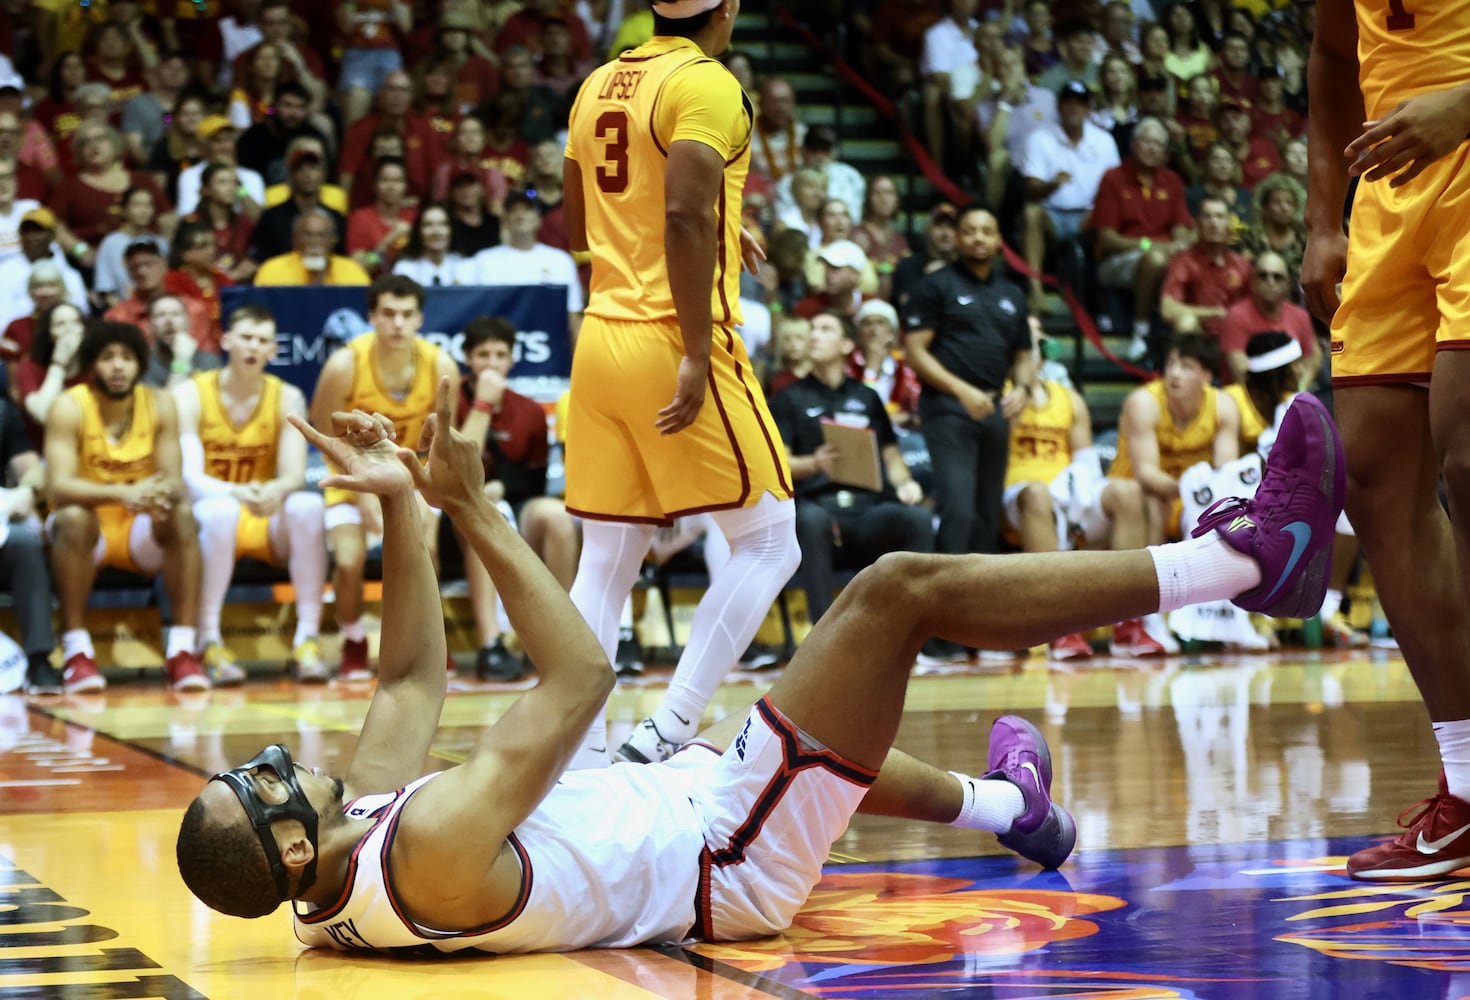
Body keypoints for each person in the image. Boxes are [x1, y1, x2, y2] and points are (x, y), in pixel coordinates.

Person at [175, 373, 1347, 951]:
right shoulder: (421, 857)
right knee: (895, 596)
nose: (282, 761)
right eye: (265, 782)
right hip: (724, 862)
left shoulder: (335, 869)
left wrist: (399, 508)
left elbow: (405, 686)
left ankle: (1012, 809)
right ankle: (1245, 564)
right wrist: (475, 510)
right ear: (288, 843)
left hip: (685, 800)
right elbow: (580, 677)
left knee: (780, 731)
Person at [561, 0, 801, 768]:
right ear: (726, 10)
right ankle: (669, 727)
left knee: (606, 557)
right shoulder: (709, 84)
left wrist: (721, 226)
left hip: (600, 336)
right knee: (770, 540)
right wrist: (696, 352)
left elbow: (583, 229)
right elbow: (685, 218)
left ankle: (574, 750)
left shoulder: (599, 82)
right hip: (671, 335)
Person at [1302, 0, 1470, 881]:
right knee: (1370, 470)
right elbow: (1333, 60)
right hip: (1389, 192)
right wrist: (1323, 218)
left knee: (1468, 454)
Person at [308, 274, 460, 679]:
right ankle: (354, 641)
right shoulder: (344, 364)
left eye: (406, 315)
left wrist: (424, 492)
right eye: (388, 314)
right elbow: (326, 436)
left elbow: (444, 442)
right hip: (351, 475)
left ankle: (429, 644)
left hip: (412, 479)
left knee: (427, 551)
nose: (397, 323)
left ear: (420, 319)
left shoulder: (442, 366)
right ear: (372, 316)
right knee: (349, 559)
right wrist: (363, 494)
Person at [43, 321, 207, 693]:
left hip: (140, 529)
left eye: (127, 358)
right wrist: (122, 493)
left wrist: (148, 495)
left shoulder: (161, 403)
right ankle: (76, 652)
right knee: (71, 517)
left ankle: (182, 650)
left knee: (182, 513)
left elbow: (172, 478)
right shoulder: (69, 406)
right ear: (91, 365)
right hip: (90, 530)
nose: (118, 366)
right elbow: (60, 486)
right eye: (107, 358)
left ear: (141, 364)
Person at [173, 305, 328, 685]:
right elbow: (189, 477)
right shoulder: (191, 394)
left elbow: (293, 475)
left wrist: (274, 489)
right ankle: (208, 640)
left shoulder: (287, 396)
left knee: (307, 506)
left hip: (260, 514)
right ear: (226, 341)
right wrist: (238, 492)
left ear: (274, 350)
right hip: (209, 516)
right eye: (245, 337)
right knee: (220, 510)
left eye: (262, 340)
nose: (253, 347)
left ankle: (307, 640)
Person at [769, 310, 932, 624]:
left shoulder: (866, 397)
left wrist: (905, 484)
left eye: (825, 329)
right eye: (812, 329)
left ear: (846, 345)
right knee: (810, 521)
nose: (814, 335)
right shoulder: (789, 398)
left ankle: (914, 630)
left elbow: (891, 456)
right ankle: (822, 633)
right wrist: (813, 463)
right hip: (819, 506)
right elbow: (779, 464)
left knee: (917, 519)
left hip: (868, 508)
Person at [1002, 369, 1164, 659]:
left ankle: (1128, 622)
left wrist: (1077, 507)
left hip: (1067, 491)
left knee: (1128, 493)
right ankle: (1058, 624)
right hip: (1016, 495)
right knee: (1038, 493)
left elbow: (1085, 462)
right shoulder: (998, 390)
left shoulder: (1069, 399)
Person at [903, 205, 1034, 560]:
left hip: (994, 407)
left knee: (987, 512)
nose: (979, 238)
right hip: (948, 407)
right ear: (958, 238)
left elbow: (1023, 353)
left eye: (987, 231)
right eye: (971, 231)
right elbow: (915, 351)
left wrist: (1022, 389)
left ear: (998, 241)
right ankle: (946, 601)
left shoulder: (1013, 294)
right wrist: (961, 389)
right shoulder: (935, 286)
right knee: (958, 507)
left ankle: (981, 605)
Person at [456, 315, 578, 681]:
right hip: (456, 510)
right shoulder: (450, 399)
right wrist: (481, 405)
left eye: (499, 354)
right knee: (484, 511)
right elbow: (457, 469)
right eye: (482, 355)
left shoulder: (529, 411)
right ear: (467, 358)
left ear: (511, 359)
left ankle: (561, 637)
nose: (491, 363)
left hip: (513, 502)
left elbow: (533, 482)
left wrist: (503, 488)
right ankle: (491, 644)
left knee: (557, 516)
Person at [1110, 333, 1242, 543]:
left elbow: (1225, 469)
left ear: (1207, 376)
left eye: (1186, 367)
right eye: (1171, 364)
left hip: (1188, 494)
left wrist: (1201, 493)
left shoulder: (1223, 406)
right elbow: (1146, 474)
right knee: (1155, 503)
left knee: (1222, 509)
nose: (1174, 373)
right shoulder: (1144, 402)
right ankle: (1149, 574)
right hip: (1138, 490)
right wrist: (1191, 490)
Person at [0, 391, 61, 694]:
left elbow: (33, 470)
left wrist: (25, 492)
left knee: (25, 543)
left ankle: (39, 660)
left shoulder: (2, 412)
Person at [1159, 194, 1254, 339]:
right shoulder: (1184, 262)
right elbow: (1168, 309)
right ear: (1197, 222)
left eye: (1219, 217)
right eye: (1207, 217)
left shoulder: (1241, 264)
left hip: (1235, 338)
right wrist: (1214, 313)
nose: (1214, 223)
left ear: (1228, 223)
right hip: (1199, 338)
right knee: (1186, 322)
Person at [1219, 250, 1316, 385]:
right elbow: (1241, 374)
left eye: (1277, 277)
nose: (1270, 282)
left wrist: (1299, 392)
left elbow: (1312, 358)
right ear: (1253, 282)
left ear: (1287, 284)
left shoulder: (1300, 316)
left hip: (1291, 394)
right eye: (1263, 276)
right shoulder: (1236, 317)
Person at [255, 211, 372, 287]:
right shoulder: (272, 270)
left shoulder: (352, 271)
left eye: (321, 235)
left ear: (333, 240)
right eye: (308, 235)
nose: (314, 243)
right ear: (295, 239)